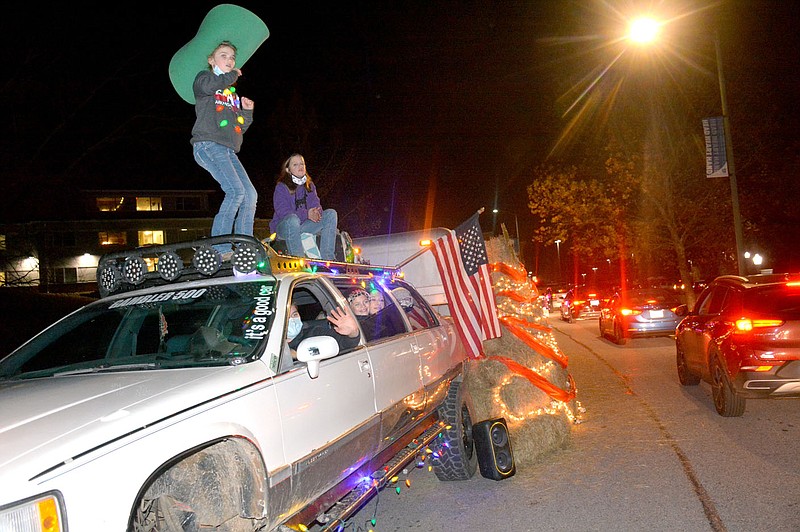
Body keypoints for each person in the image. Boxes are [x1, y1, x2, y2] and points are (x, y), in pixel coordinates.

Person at [191, 41, 257, 249]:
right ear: (211, 60)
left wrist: (246, 112)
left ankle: (245, 246)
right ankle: (220, 248)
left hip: (227, 149)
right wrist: (232, 76)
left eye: (232, 57)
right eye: (223, 55)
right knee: (235, 191)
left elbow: (238, 129)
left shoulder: (231, 96)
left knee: (250, 195)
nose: (229, 61)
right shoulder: (203, 80)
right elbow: (211, 85)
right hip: (208, 145)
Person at [270, 154, 339, 261]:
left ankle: (328, 259)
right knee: (292, 219)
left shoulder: (310, 185)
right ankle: (299, 261)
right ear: (288, 170)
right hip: (285, 228)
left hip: (303, 226)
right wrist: (307, 214)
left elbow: (316, 205)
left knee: (330, 214)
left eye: (302, 163)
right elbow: (284, 213)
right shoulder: (281, 187)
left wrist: (317, 212)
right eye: (295, 164)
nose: (300, 166)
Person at [286, 303, 360, 354]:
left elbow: (343, 344)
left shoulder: (314, 333)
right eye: (286, 317)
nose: (292, 320)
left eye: (295, 314)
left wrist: (353, 333)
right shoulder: (275, 345)